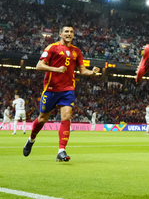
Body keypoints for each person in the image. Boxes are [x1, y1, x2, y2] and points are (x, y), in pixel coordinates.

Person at [23, 25, 100, 162]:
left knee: (66, 117)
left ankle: (61, 150)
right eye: (66, 31)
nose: (69, 34)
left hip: (68, 89)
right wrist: (56, 69)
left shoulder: (77, 51)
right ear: (60, 34)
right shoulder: (52, 48)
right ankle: (31, 139)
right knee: (42, 119)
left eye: (71, 32)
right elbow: (39, 66)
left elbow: (82, 71)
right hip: (51, 89)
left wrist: (92, 72)